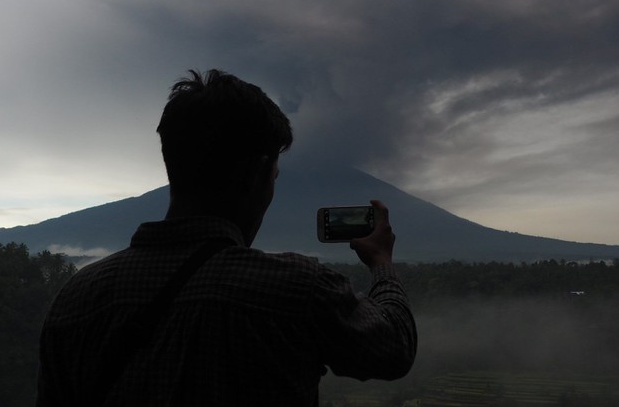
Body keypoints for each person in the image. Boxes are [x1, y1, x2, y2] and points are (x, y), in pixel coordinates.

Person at [36, 69, 417, 406]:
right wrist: (382, 264)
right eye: (275, 174)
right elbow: (394, 349)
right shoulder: (297, 290)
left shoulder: (77, 297)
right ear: (257, 173)